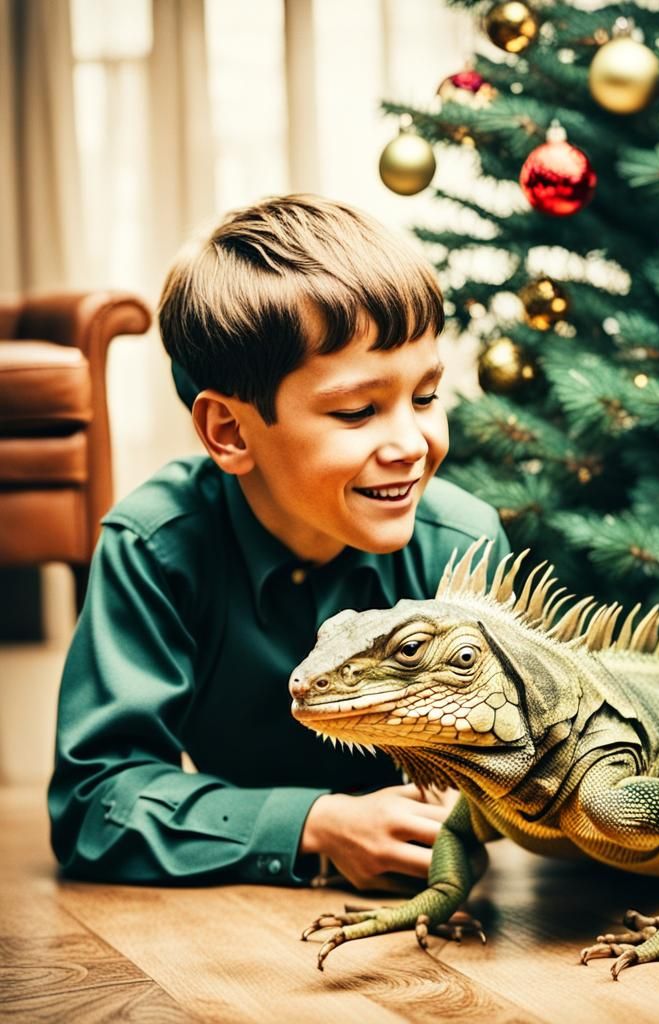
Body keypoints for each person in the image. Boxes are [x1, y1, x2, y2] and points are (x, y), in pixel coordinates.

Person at [47, 194, 510, 891]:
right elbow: (93, 802)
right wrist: (317, 826)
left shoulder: (464, 544)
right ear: (231, 433)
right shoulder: (153, 549)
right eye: (358, 411)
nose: (413, 445)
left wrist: (474, 800)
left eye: (424, 397)